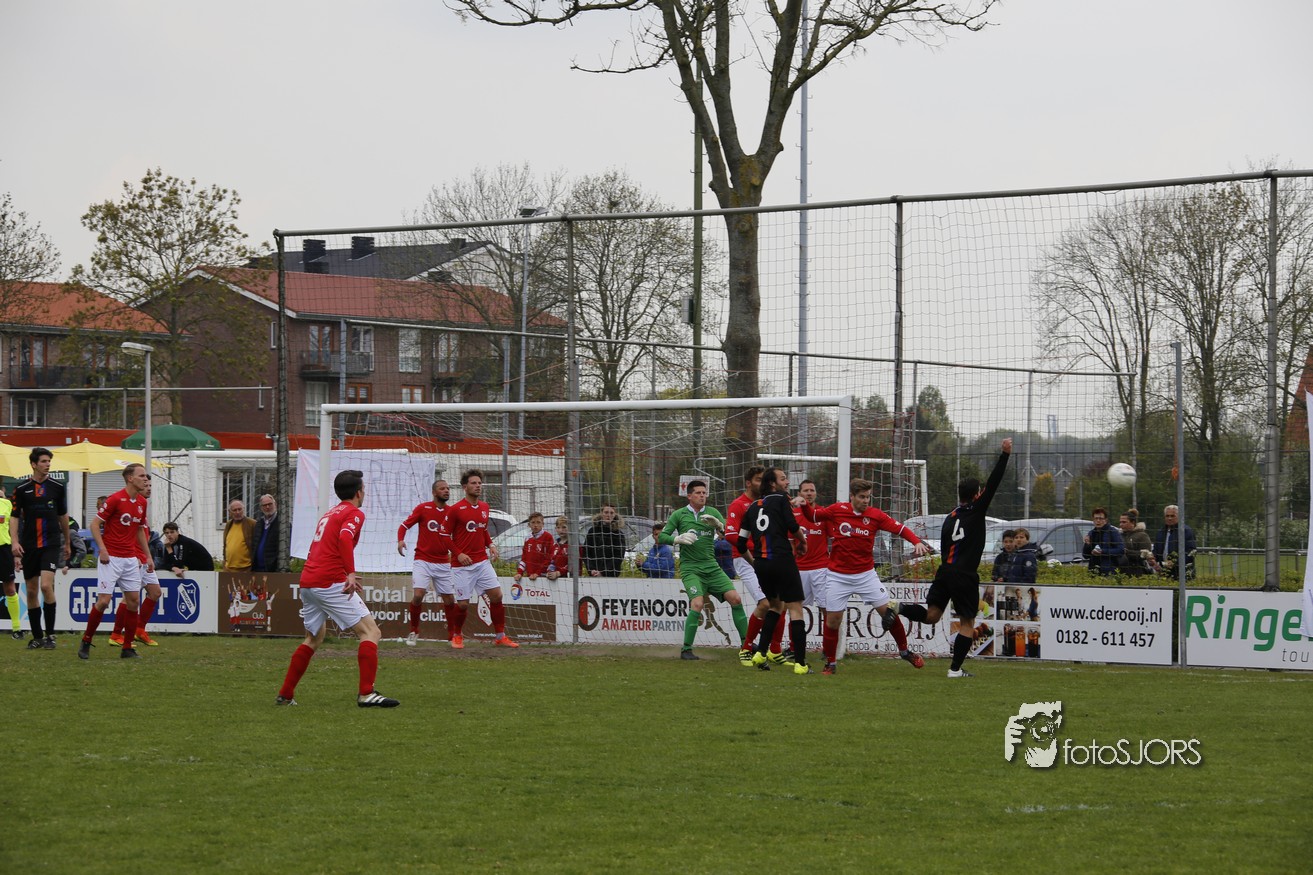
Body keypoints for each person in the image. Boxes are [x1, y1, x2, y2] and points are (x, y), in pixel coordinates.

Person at [276, 469, 398, 707]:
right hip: (329, 581)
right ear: (359, 492)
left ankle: (285, 694)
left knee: (313, 638)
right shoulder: (354, 512)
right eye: (364, 489)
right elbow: (344, 538)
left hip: (309, 581)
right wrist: (349, 573)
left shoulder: (330, 513)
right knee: (371, 632)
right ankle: (366, 694)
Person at [897, 437, 1012, 678]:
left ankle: (899, 607)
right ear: (977, 495)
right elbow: (994, 483)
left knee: (931, 616)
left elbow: (946, 545)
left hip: (945, 572)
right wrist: (1004, 455)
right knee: (968, 624)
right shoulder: (976, 510)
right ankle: (955, 670)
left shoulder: (950, 517)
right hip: (964, 575)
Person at [815, 477, 932, 675]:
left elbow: (900, 528)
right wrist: (802, 504)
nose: (866, 501)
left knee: (888, 612)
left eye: (868, 497)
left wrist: (916, 541)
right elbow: (813, 516)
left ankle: (905, 652)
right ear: (852, 496)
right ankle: (830, 663)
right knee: (832, 620)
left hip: (865, 576)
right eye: (862, 497)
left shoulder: (875, 515)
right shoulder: (837, 510)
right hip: (837, 576)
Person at [657, 479, 747, 660]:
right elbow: (662, 536)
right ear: (689, 496)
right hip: (691, 569)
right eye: (698, 493)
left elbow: (729, 535)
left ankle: (747, 646)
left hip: (712, 567)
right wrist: (677, 539)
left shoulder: (712, 513)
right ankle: (686, 650)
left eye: (704, 493)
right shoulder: (679, 515)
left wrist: (720, 526)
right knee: (697, 604)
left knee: (736, 599)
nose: (702, 496)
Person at [738, 468, 812, 674]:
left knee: (775, 606)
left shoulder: (752, 507)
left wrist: (754, 563)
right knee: (795, 608)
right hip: (782, 559)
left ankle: (761, 653)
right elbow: (792, 525)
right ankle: (801, 664)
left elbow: (741, 543)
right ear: (772, 484)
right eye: (783, 479)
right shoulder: (781, 499)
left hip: (762, 564)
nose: (787, 482)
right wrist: (803, 541)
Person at [78, 463, 151, 660]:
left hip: (130, 559)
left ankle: (127, 648)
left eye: (146, 476)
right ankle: (86, 640)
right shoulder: (115, 499)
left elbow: (139, 530)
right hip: (111, 558)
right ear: (130, 478)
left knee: (133, 601)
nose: (145, 479)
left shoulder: (142, 502)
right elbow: (95, 524)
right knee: (104, 601)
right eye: (142, 475)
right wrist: (102, 549)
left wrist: (147, 556)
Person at [446, 469, 517, 648]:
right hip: (462, 566)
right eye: (473, 483)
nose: (478, 486)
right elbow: (444, 535)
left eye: (479, 483)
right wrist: (458, 553)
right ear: (465, 487)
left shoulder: (484, 507)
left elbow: (483, 529)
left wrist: (490, 544)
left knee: (497, 595)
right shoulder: (456, 509)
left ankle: (500, 636)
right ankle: (457, 635)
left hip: (481, 562)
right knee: (463, 604)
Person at [10, 447, 70, 649]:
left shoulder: (57, 487)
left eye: (49, 461)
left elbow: (63, 516)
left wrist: (67, 541)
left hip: (50, 544)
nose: (48, 464)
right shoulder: (21, 489)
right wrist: (15, 542)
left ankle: (51, 635)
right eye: (44, 461)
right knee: (32, 590)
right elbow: (14, 517)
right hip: (29, 545)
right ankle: (37, 637)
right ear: (34, 464)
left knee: (46, 586)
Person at [726, 466, 786, 665]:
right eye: (758, 480)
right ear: (748, 483)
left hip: (768, 558)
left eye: (764, 480)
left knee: (781, 604)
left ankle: (775, 651)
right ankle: (746, 649)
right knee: (765, 604)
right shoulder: (738, 505)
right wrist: (755, 550)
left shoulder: (767, 503)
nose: (762, 484)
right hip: (745, 559)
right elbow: (731, 535)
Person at [397, 479, 456, 647]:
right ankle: (414, 631)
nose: (446, 491)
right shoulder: (423, 508)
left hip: (443, 562)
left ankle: (452, 635)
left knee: (449, 600)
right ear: (434, 492)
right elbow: (404, 526)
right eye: (442, 488)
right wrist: (400, 540)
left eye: (448, 488)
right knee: (418, 594)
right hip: (422, 560)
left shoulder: (452, 512)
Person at [108, 475, 164, 648]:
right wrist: (135, 556)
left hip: (143, 558)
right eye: (145, 484)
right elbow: (127, 534)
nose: (148, 488)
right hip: (134, 559)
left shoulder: (142, 506)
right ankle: (116, 634)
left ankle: (139, 630)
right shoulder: (130, 504)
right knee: (129, 599)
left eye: (150, 485)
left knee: (155, 593)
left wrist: (147, 557)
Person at [792, 479, 830, 618]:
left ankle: (833, 634)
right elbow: (790, 543)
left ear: (816, 493)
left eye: (812, 490)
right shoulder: (793, 515)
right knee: (795, 609)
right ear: (799, 494)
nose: (809, 493)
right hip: (799, 569)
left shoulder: (823, 513)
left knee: (828, 609)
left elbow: (834, 540)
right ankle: (796, 634)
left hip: (821, 569)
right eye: (805, 491)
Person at [1151, 505, 1197, 579]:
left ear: (1179, 516)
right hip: (1163, 572)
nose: (1169, 518)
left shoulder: (1186, 531)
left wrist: (1175, 563)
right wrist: (1153, 559)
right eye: (1167, 516)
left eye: (1172, 516)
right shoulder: (1160, 532)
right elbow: (1156, 549)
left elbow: (1191, 552)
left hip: (1182, 574)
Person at [0, 485, 20, 639]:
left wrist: (17, 554)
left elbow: (13, 529)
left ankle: (16, 628)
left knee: (10, 589)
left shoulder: (6, 504)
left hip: (4, 550)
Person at [583, 505, 626, 577]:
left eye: (611, 513)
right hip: (593, 573)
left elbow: (619, 556)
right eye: (606, 512)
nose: (608, 515)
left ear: (615, 515)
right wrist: (591, 569)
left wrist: (603, 572)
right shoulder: (593, 531)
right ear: (601, 513)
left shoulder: (618, 534)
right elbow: (586, 552)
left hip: (611, 575)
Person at [1082, 507, 1124, 575]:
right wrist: (1087, 544)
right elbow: (1085, 555)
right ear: (1093, 520)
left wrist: (1102, 552)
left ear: (1106, 520)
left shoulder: (1113, 532)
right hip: (1093, 571)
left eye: (1101, 518)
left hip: (1109, 571)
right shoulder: (1091, 533)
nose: (1098, 521)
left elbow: (1121, 550)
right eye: (1096, 518)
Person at [517, 512, 555, 582]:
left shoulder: (548, 537)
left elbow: (549, 558)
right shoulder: (528, 538)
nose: (535, 525)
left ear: (543, 524)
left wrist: (537, 573)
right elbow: (524, 558)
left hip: (544, 577)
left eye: (538, 522)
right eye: (533, 522)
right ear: (529, 525)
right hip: (530, 576)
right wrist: (519, 573)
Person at [223, 499, 257, 572]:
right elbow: (225, 545)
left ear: (244, 509)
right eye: (234, 510)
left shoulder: (252, 524)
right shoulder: (228, 525)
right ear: (230, 512)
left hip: (246, 569)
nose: (237, 512)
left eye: (239, 509)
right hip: (228, 569)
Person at [1117, 509, 1153, 576]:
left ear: (1133, 522)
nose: (1121, 524)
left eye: (1124, 522)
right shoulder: (1119, 535)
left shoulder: (1142, 536)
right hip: (1120, 572)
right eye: (1120, 522)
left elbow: (1146, 554)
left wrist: (1127, 552)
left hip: (1137, 573)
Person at [545, 516, 578, 581]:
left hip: (570, 580)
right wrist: (549, 572)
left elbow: (574, 564)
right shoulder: (555, 545)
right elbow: (551, 561)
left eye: (564, 527)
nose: (561, 530)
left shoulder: (574, 545)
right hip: (554, 580)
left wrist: (558, 573)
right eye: (558, 527)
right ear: (556, 529)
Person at [253, 494, 280, 572]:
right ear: (261, 508)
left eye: (270, 504)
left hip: (273, 570)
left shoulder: (282, 524)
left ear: (275, 504)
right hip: (257, 570)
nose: (267, 507)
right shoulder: (259, 523)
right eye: (264, 505)